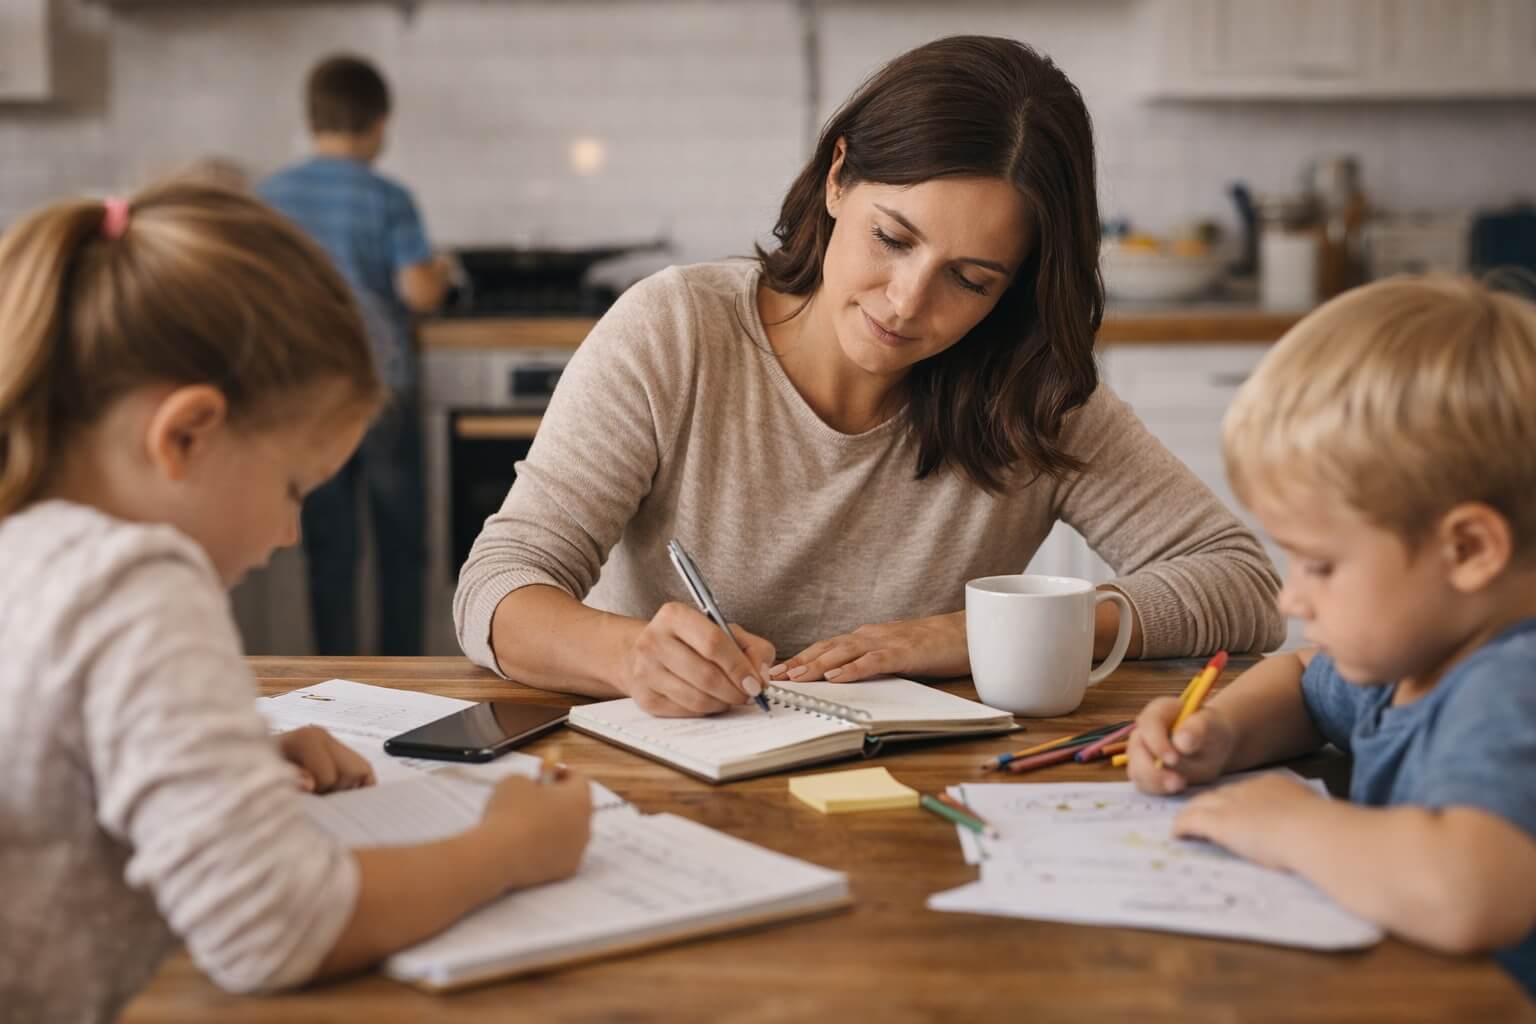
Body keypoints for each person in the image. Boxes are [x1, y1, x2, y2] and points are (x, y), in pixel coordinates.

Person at [455, 35, 1285, 718]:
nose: (906, 302)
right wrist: (632, 655)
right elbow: (497, 588)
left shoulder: (1031, 390)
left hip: (927, 802)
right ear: (839, 177)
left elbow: (1242, 584)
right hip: (677, 779)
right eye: (893, 238)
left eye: (972, 279)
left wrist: (969, 634)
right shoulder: (675, 331)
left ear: (1017, 287)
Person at [0, 183, 591, 1023]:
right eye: (293, 488)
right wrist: (509, 849)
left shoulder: (31, 544)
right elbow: (270, 926)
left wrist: (231, 750)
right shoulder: (130, 584)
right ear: (185, 435)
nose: (286, 534)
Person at [1123, 276, 1536, 996]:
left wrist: (1292, 828)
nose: (1291, 595)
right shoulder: (1414, 657)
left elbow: (1473, 893)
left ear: (1468, 550)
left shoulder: (1510, 684)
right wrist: (1219, 731)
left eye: (1321, 564)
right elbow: (1303, 684)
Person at [259, 54, 454, 655]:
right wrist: (441, 269)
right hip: (382, 387)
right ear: (378, 123)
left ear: (313, 118)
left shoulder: (269, 195)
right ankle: (403, 677)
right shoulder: (387, 196)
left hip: (305, 392)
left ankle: (332, 681)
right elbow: (417, 291)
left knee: (329, 547)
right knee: (400, 544)